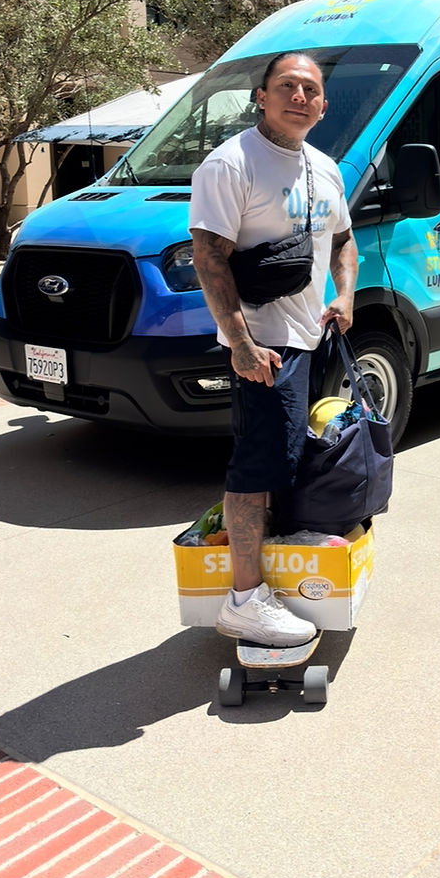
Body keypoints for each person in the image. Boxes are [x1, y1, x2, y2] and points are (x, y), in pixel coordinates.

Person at [189, 51, 358, 645]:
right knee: (257, 464)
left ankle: (272, 572)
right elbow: (208, 257)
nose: (299, 97)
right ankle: (242, 598)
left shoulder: (325, 167)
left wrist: (345, 296)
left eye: (310, 90)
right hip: (265, 344)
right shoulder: (231, 163)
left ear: (322, 105)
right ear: (261, 96)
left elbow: (342, 238)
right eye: (286, 86)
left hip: (310, 335)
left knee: (286, 459)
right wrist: (240, 344)